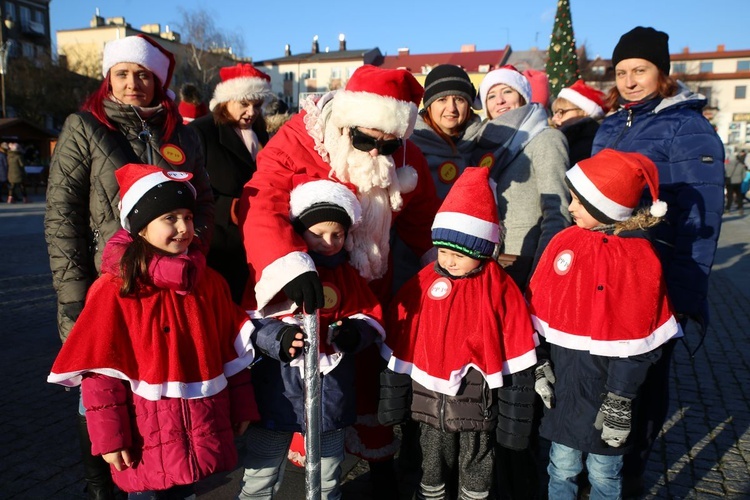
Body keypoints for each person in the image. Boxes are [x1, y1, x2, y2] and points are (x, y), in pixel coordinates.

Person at [238, 64, 441, 498]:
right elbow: (262, 203)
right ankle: (302, 467)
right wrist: (289, 264)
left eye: (388, 144)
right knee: (304, 387)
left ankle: (377, 464)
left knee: (366, 380)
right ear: (346, 123)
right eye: (366, 140)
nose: (375, 152)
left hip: (369, 285)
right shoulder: (298, 140)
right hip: (308, 284)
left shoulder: (405, 155)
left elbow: (425, 219)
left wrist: (445, 270)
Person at [47, 163, 284, 498]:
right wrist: (110, 438)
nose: (184, 227)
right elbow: (101, 375)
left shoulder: (209, 282)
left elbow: (231, 353)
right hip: (143, 437)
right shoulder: (116, 289)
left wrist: (242, 405)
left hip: (203, 424)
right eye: (169, 218)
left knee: (188, 488)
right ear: (141, 228)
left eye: (188, 217)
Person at [44, 34, 214, 500]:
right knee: (99, 391)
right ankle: (101, 485)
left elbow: (204, 206)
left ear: (158, 81)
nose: (133, 83)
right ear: (108, 80)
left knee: (163, 387)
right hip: (109, 284)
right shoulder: (85, 127)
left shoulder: (184, 133)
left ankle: (166, 475)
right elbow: (63, 216)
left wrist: (192, 254)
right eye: (122, 74)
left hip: (174, 287)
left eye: (143, 75)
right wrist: (75, 296)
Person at [591, 26, 725, 495]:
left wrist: (687, 292)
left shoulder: (687, 127)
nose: (629, 80)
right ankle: (602, 467)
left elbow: (701, 216)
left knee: (642, 383)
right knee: (606, 376)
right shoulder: (612, 123)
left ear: (662, 73)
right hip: (606, 271)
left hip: (656, 275)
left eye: (640, 70)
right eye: (622, 71)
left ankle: (629, 477)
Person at [527, 149, 683, 498]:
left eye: (579, 202)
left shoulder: (638, 258)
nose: (570, 208)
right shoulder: (564, 242)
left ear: (606, 206)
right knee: (561, 466)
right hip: (565, 388)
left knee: (604, 473)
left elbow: (642, 337)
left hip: (609, 393)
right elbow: (537, 314)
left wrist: (621, 398)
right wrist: (539, 364)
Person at [379, 166, 538, 500]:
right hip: (427, 402)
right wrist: (392, 403)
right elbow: (398, 345)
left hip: (477, 406)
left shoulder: (499, 289)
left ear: (481, 250)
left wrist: (514, 423)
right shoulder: (422, 281)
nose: (449, 261)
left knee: (477, 461)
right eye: (444, 252)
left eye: (459, 255)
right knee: (429, 463)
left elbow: (518, 354)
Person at [239, 179, 384, 500]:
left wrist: (353, 334)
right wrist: (280, 337)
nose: (329, 242)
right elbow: (252, 320)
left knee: (329, 468)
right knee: (263, 467)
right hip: (279, 387)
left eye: (337, 234)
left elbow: (369, 316)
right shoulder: (278, 271)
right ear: (300, 232)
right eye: (318, 234)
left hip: (331, 390)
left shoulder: (348, 274)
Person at [473, 65, 571, 291]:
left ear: (522, 96)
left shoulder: (546, 139)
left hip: (522, 260)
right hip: (483, 259)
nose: (499, 100)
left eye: (507, 91)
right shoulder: (480, 145)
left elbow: (558, 212)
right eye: (491, 96)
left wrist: (542, 273)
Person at [190, 64, 273, 303]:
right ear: (227, 100)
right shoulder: (201, 131)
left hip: (253, 238)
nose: (251, 112)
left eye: (257, 106)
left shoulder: (259, 129)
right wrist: (230, 208)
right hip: (219, 243)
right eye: (244, 104)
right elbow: (190, 186)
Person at [410, 64, 483, 200]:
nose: (451, 108)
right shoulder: (410, 146)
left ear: (469, 105)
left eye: (459, 99)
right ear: (429, 106)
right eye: (442, 100)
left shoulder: (483, 141)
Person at [550, 79, 609, 166]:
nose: (554, 118)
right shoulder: (567, 138)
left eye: (561, 112)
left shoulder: (588, 143)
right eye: (554, 113)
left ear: (584, 111)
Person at [725, 149, 746, 215]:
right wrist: (741, 180)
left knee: (730, 196)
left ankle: (728, 209)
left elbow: (725, 173)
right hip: (738, 182)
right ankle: (740, 208)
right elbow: (744, 175)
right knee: (739, 195)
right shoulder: (741, 165)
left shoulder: (728, 164)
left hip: (730, 182)